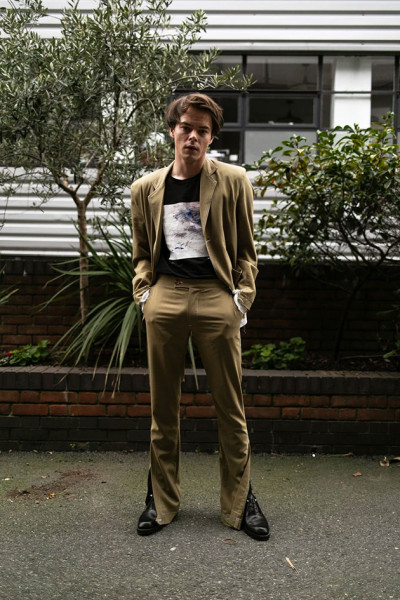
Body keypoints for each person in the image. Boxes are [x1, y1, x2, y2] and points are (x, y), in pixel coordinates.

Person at [130, 93, 270, 541]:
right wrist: (145, 295)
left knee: (230, 407)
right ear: (173, 130)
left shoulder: (233, 180)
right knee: (163, 409)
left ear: (212, 137)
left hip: (216, 298)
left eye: (202, 130)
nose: (193, 136)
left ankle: (240, 503)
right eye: (186, 127)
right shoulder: (145, 188)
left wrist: (241, 299)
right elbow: (141, 252)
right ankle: (160, 500)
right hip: (165, 298)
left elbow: (246, 248)